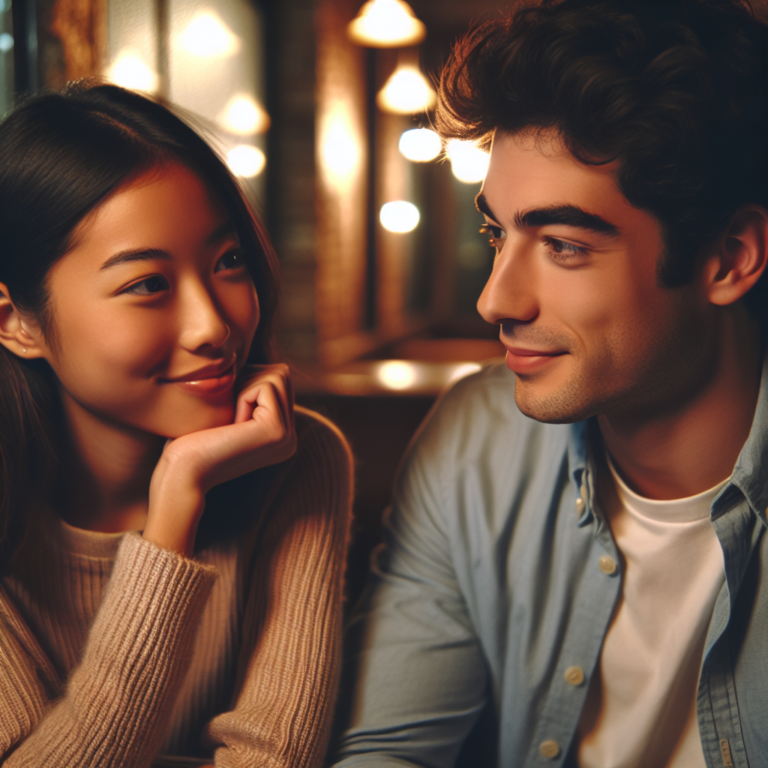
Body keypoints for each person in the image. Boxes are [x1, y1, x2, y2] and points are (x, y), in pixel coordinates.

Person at [331, 0, 768, 766]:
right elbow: (390, 752)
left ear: (728, 258)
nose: (495, 299)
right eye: (497, 233)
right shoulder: (476, 438)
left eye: (563, 245)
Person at [0, 81, 352, 768]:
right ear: (16, 322)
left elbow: (273, 758)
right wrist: (172, 518)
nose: (214, 325)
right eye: (147, 285)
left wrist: (184, 480)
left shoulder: (297, 460)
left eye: (228, 263)